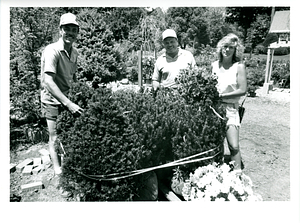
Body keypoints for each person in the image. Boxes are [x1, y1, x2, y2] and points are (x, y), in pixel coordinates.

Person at [41, 13, 84, 177]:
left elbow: (72, 77)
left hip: (67, 98)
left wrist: (76, 93)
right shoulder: (52, 50)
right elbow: (48, 82)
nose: (71, 33)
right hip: (51, 99)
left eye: (74, 30)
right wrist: (68, 103)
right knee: (54, 135)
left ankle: (68, 162)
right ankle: (57, 169)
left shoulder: (75, 53)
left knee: (67, 132)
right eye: (67, 29)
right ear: (60, 30)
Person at [212, 33, 247, 171]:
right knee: (216, 143)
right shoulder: (214, 65)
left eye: (231, 47)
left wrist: (223, 96)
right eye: (225, 46)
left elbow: (243, 90)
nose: (227, 50)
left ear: (235, 50)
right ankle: (216, 171)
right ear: (220, 48)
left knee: (234, 145)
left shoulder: (239, 67)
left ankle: (237, 174)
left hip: (231, 109)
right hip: (215, 108)